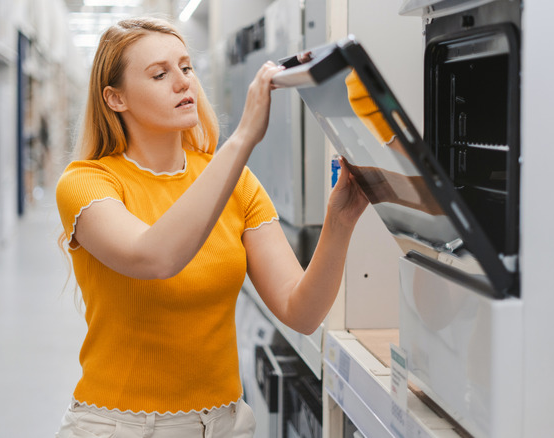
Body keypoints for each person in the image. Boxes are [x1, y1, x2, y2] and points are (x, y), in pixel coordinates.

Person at [54, 17, 368, 437]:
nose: (183, 82)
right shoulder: (85, 183)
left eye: (186, 67)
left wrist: (340, 222)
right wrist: (242, 139)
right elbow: (155, 257)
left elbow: (302, 311)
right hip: (121, 427)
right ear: (115, 99)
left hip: (223, 424)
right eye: (159, 74)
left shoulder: (233, 182)